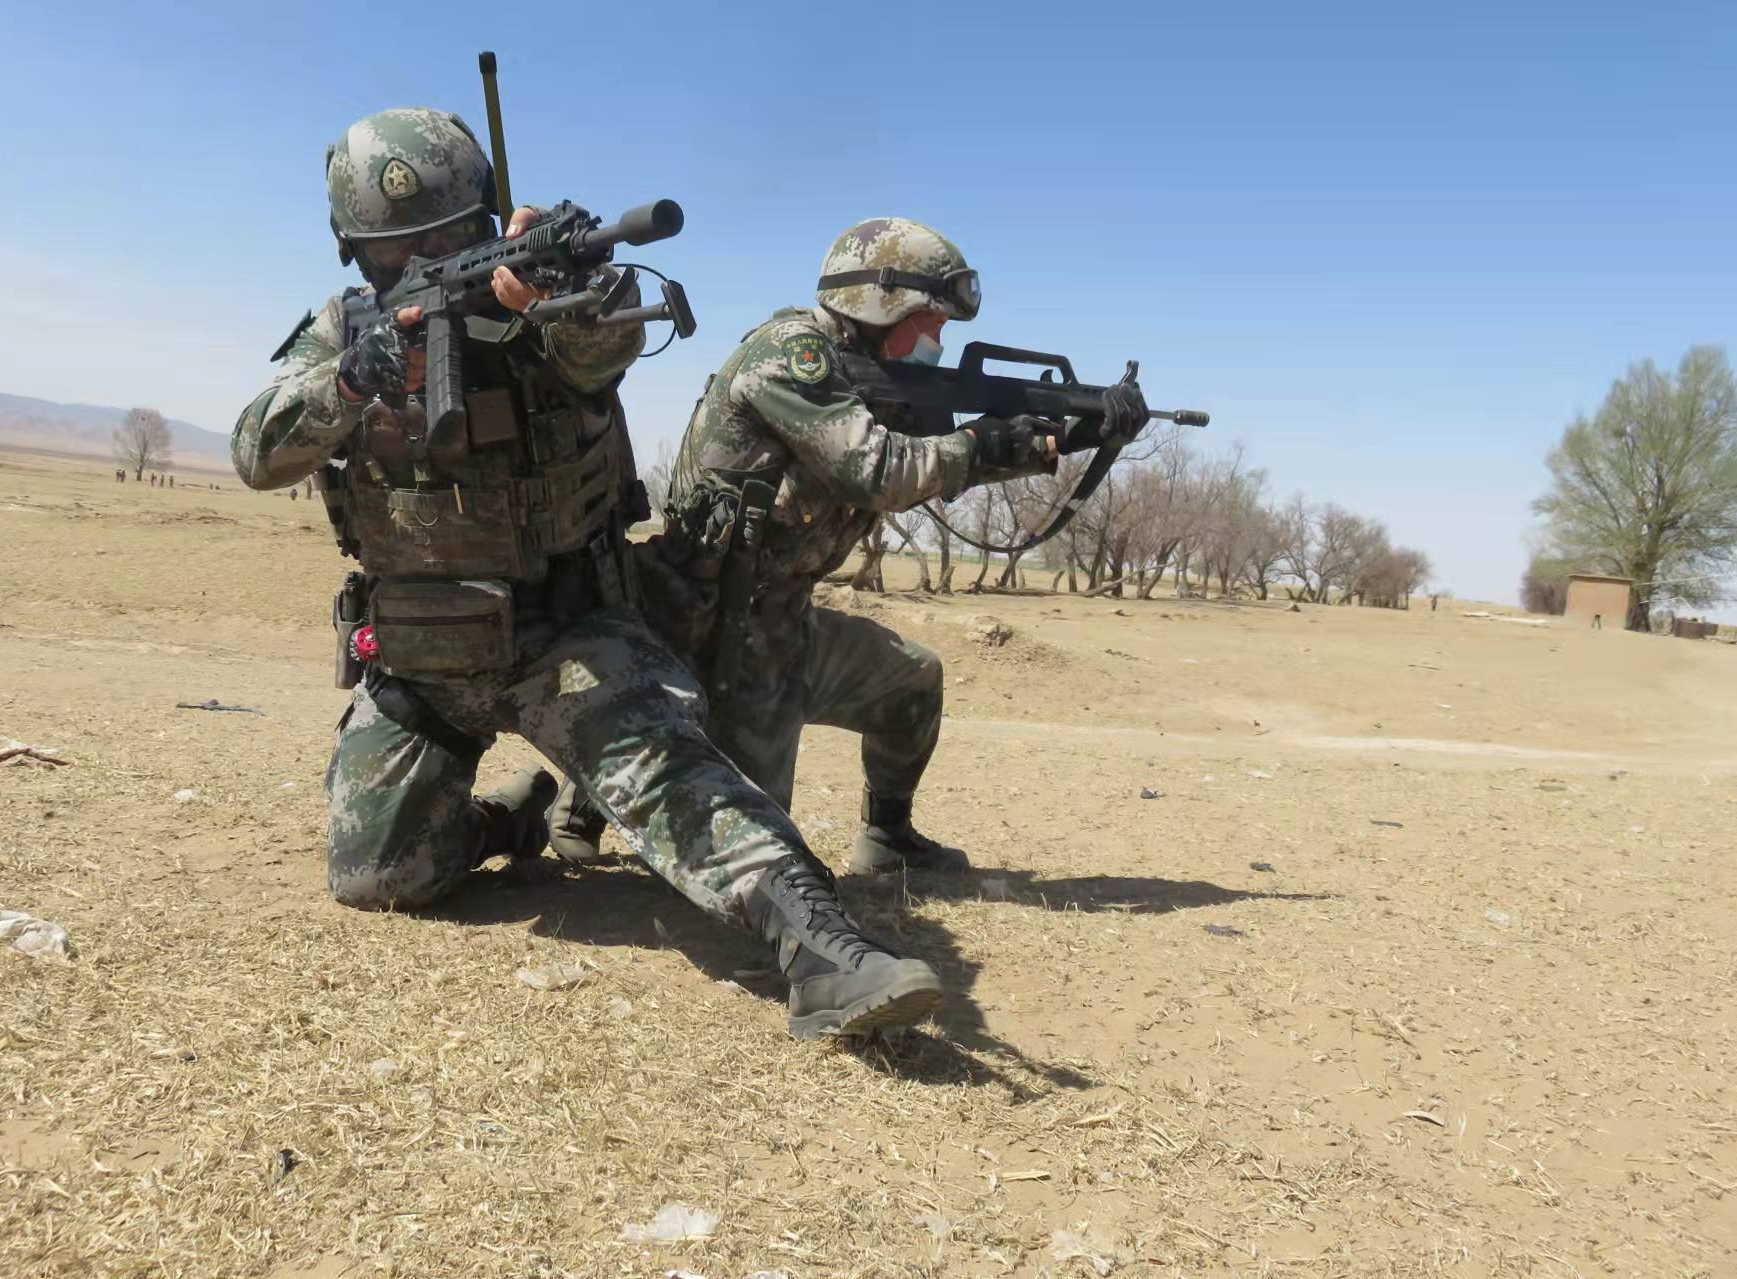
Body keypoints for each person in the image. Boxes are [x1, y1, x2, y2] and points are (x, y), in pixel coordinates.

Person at [231, 108, 943, 1039]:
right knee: (373, 878)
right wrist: (349, 381)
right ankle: (504, 823)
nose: (429, 259)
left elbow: (603, 350)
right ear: (353, 250)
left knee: (682, 784)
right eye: (398, 250)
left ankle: (825, 949)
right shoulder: (340, 329)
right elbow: (255, 451)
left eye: (453, 235)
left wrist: (562, 295)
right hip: (421, 656)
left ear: (487, 222)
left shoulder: (556, 298)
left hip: (567, 640)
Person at [548, 218, 1148, 875]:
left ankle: (889, 838)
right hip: (696, 624)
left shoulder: (878, 386)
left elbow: (941, 459)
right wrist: (981, 443)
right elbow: (881, 470)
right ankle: (580, 794)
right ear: (880, 302)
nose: (939, 341)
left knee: (912, 678)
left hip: (781, 627)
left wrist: (1066, 437)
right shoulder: (791, 356)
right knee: (758, 861)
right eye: (931, 322)